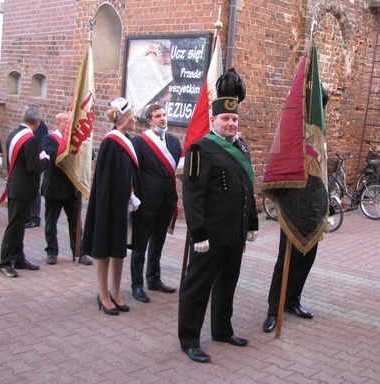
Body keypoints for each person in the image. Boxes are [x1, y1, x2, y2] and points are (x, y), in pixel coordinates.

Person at [178, 96, 259, 363]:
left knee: (227, 284)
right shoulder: (200, 149)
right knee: (197, 287)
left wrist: (252, 222)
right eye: (225, 119)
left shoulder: (241, 147)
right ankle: (189, 340)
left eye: (234, 119)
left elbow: (247, 187)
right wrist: (198, 233)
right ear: (213, 121)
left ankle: (222, 330)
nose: (231, 123)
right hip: (210, 236)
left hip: (234, 233)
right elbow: (192, 195)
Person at [262, 87, 330, 333]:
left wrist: (326, 204)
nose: (320, 111)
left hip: (314, 202)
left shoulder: (319, 130)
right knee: (285, 261)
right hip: (293, 201)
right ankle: (273, 309)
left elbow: (322, 169)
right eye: (317, 106)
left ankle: (293, 301)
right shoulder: (292, 129)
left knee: (307, 258)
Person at [81, 97, 143, 315]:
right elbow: (105, 179)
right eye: (133, 115)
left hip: (124, 207)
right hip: (109, 206)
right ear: (125, 118)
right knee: (104, 250)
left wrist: (133, 191)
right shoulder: (110, 143)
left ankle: (116, 292)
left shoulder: (127, 141)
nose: (136, 119)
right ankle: (103, 294)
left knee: (119, 250)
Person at [129, 104, 181, 302]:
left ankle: (154, 278)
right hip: (147, 201)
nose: (163, 119)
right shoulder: (139, 142)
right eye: (158, 116)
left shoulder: (174, 141)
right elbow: (134, 172)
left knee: (158, 242)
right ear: (149, 120)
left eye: (164, 115)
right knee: (140, 245)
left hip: (167, 200)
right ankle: (137, 284)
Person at [0, 105, 50, 278]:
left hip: (15, 184)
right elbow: (33, 167)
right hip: (23, 188)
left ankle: (18, 258)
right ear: (37, 122)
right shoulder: (31, 139)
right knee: (14, 226)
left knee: (19, 225)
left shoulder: (14, 134)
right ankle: (5, 262)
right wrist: (45, 159)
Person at [42, 112, 93, 266]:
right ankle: (51, 252)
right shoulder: (49, 139)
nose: (69, 125)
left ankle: (79, 252)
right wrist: (73, 151)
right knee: (51, 222)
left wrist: (82, 146)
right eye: (66, 122)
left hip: (72, 188)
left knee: (76, 223)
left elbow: (90, 154)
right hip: (55, 187)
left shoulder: (76, 140)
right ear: (58, 124)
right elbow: (54, 157)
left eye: (71, 122)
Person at [25, 114, 48, 228]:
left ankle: (34, 217)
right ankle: (29, 215)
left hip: (37, 159)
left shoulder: (41, 127)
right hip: (33, 160)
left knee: (35, 190)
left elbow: (38, 143)